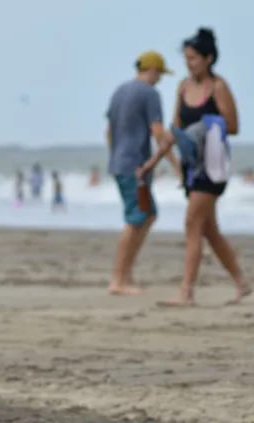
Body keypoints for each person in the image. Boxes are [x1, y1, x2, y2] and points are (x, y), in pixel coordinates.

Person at [139, 29, 249, 306]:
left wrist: (204, 126)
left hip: (213, 166)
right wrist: (152, 162)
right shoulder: (183, 87)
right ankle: (243, 282)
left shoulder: (219, 87)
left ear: (209, 58)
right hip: (192, 166)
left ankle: (186, 292)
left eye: (194, 58)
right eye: (187, 58)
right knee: (208, 229)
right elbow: (175, 130)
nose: (189, 63)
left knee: (192, 223)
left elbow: (234, 126)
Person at [105, 50, 178, 296]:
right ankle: (118, 279)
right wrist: (176, 166)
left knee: (147, 215)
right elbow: (159, 134)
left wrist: (116, 154)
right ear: (153, 70)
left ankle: (125, 275)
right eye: (160, 74)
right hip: (134, 165)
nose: (160, 80)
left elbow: (109, 130)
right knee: (136, 219)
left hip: (120, 162)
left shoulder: (119, 91)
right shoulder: (150, 94)